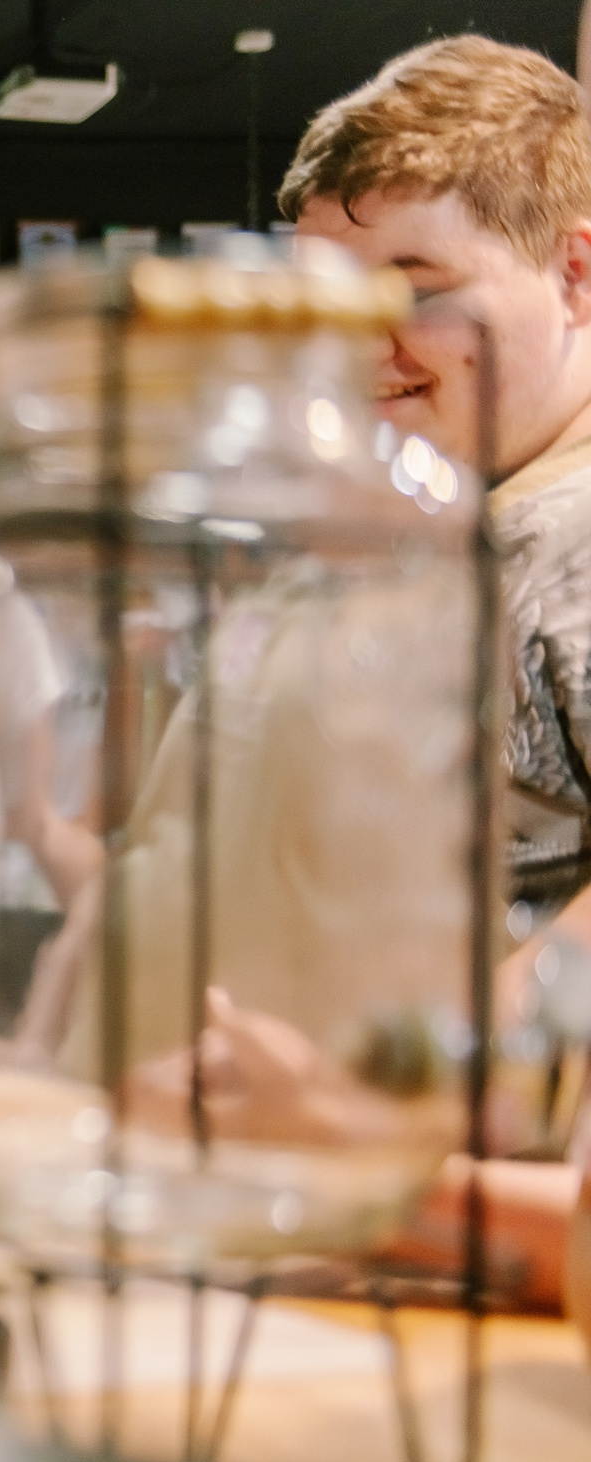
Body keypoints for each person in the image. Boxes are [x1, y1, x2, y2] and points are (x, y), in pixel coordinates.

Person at [278, 34, 591, 1309]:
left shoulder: (572, 531)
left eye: (416, 286)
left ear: (576, 273)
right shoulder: (465, 524)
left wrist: (378, 1090)